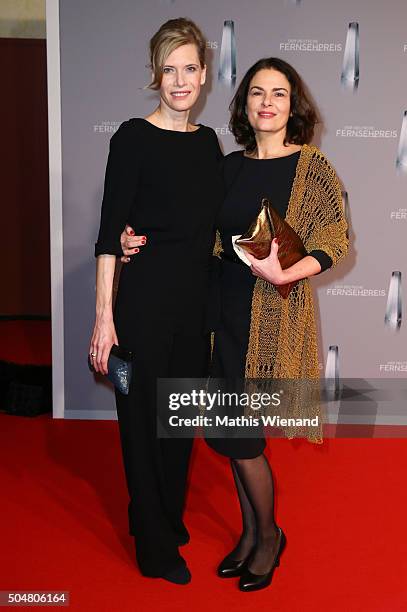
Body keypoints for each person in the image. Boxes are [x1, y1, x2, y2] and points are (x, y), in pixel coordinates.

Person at [121, 57, 349, 592]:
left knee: (242, 438)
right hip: (216, 314)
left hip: (269, 317)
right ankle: (250, 535)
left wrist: (289, 268)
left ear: (294, 106)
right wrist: (131, 240)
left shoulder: (312, 167)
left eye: (279, 94)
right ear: (245, 105)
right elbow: (190, 228)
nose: (267, 102)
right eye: (256, 93)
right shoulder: (228, 166)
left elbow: (334, 242)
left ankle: (269, 537)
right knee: (226, 433)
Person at [89, 18, 223, 585]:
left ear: (204, 74)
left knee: (178, 419)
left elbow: (216, 227)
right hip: (142, 307)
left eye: (188, 68)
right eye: (168, 69)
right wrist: (104, 318)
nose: (179, 80)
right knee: (141, 420)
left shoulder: (210, 143)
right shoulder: (132, 137)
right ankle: (152, 541)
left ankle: (164, 514)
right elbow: (107, 234)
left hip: (195, 308)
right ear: (154, 74)